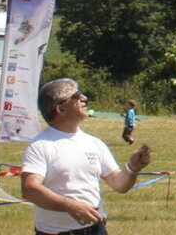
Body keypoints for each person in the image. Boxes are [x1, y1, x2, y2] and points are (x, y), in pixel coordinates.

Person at [21, 78, 152, 235]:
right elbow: (30, 189)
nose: (84, 98)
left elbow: (119, 185)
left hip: (96, 230)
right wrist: (69, 206)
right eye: (76, 95)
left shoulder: (94, 143)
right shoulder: (40, 145)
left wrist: (133, 168)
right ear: (61, 109)